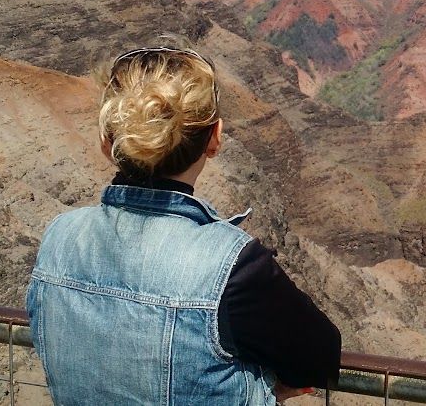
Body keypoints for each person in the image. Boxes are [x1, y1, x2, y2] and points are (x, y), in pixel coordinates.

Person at [27, 44, 341, 405]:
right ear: (215, 138)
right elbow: (320, 358)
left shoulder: (58, 237)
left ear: (105, 141)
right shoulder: (232, 266)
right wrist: (265, 386)